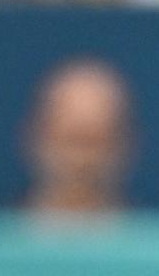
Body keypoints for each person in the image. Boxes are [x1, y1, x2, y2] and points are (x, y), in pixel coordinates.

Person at [22, 57, 132, 220]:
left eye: (93, 142)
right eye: (71, 140)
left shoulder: (156, 234)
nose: (80, 160)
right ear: (35, 135)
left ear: (124, 143)